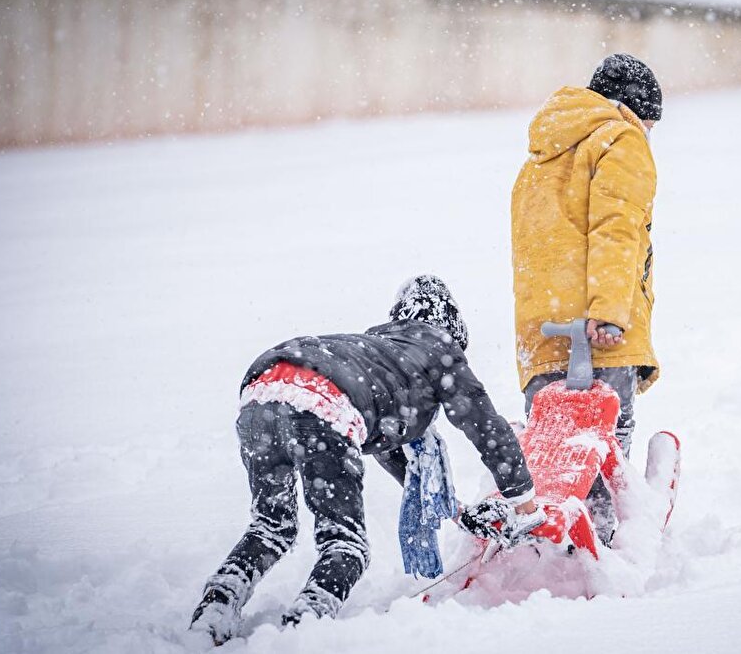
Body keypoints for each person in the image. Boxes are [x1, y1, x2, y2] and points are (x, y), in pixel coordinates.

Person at [189, 275, 542, 644]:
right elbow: (487, 428)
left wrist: (458, 512)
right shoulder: (439, 350)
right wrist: (524, 502)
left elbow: (398, 462)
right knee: (346, 545)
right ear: (452, 327)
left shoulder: (377, 354)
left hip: (262, 390)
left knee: (271, 527)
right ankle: (304, 626)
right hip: (322, 400)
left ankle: (217, 605)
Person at [510, 53, 662, 540]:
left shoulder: (542, 152)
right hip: (598, 327)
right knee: (605, 442)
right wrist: (610, 312)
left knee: (556, 452)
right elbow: (617, 231)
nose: (650, 134)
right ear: (635, 110)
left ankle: (555, 540)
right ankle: (609, 541)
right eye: (651, 123)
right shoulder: (622, 137)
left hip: (540, 331)